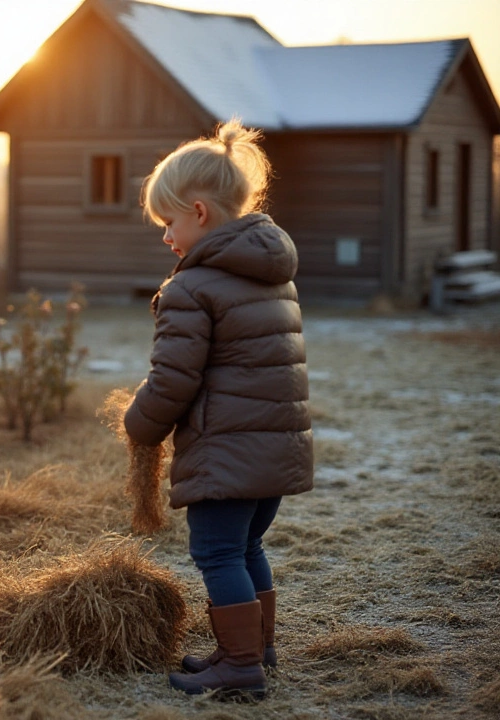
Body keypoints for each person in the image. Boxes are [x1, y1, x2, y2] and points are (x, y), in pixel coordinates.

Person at [123, 119, 313, 699]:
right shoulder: (270, 276)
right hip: (272, 452)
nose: (166, 238)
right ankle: (257, 648)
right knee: (247, 547)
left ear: (200, 214)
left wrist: (140, 424)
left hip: (226, 456)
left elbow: (174, 379)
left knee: (216, 552)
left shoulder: (192, 288)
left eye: (169, 223)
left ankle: (240, 667)